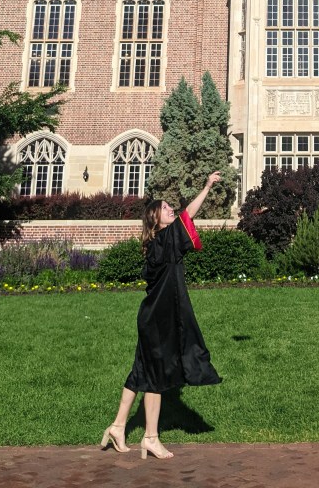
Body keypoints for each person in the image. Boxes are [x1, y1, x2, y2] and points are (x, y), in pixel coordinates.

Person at [100, 171, 223, 459]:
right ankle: (151, 438)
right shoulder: (166, 239)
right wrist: (206, 187)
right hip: (159, 320)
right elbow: (189, 214)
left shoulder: (156, 244)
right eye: (167, 209)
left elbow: (184, 218)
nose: (173, 211)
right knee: (154, 378)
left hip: (150, 318)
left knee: (140, 373)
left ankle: (118, 427)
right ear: (156, 219)